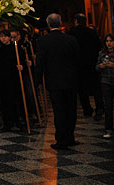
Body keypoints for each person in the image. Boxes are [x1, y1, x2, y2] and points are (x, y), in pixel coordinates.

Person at [35, 13, 80, 150]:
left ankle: (61, 140)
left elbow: (40, 63)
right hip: (71, 80)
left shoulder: (43, 41)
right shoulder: (71, 40)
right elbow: (78, 61)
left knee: (59, 111)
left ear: (48, 25)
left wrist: (37, 81)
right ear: (60, 23)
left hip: (54, 81)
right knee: (71, 110)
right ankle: (70, 137)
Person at [69, 13, 104, 120]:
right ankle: (99, 108)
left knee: (82, 89)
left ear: (76, 21)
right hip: (92, 64)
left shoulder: (72, 33)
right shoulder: (92, 32)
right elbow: (99, 48)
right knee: (96, 88)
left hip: (78, 66)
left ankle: (87, 109)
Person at [96, 34, 114, 138]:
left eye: (111, 41)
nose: (109, 43)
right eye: (107, 41)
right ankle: (108, 129)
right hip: (106, 82)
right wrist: (100, 66)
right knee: (108, 106)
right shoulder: (101, 54)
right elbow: (96, 67)